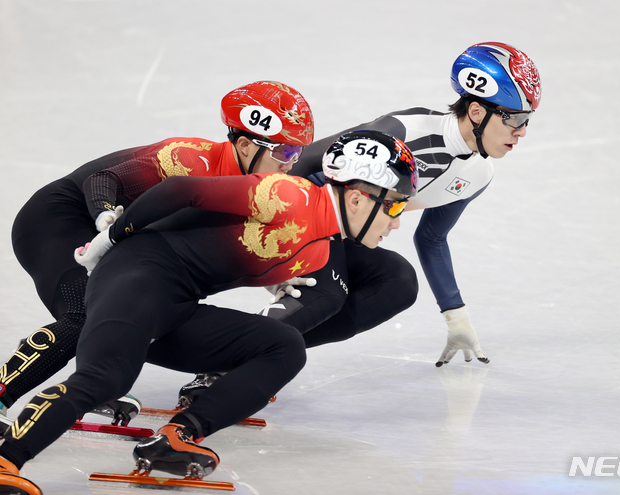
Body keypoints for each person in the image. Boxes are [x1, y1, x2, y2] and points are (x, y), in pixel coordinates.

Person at [0, 129, 418, 494]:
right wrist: (107, 241)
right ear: (360, 198)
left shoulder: (320, 247)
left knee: (284, 346)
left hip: (176, 304)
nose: (397, 222)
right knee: (104, 377)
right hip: (139, 277)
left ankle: (176, 436)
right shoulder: (290, 195)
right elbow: (181, 190)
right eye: (395, 206)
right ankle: (8, 458)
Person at [0, 81, 312, 431]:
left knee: (136, 307)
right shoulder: (188, 158)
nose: (291, 164)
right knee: (86, 313)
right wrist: (105, 218)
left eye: (297, 153)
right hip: (59, 219)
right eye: (284, 153)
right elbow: (102, 179)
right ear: (243, 145)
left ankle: (95, 381)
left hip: (118, 240)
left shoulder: (253, 191)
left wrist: (269, 275)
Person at [260, 42, 542, 366]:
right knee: (330, 292)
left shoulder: (479, 174)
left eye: (527, 120)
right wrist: (279, 235)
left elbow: (431, 238)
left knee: (397, 284)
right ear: (477, 112)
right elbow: (305, 162)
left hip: (349, 232)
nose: (522, 132)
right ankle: (223, 368)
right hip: (304, 217)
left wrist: (456, 315)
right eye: (515, 119)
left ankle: (259, 353)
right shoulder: (405, 130)